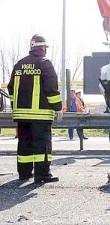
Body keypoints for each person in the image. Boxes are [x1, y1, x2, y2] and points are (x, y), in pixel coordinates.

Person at [7, 34, 62, 183]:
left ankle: (24, 174)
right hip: (41, 115)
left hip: (21, 115)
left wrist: (15, 106)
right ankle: (42, 175)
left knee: (24, 144)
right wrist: (58, 107)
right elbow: (51, 89)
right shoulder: (45, 63)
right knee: (42, 145)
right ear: (43, 47)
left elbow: (11, 88)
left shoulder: (19, 64)